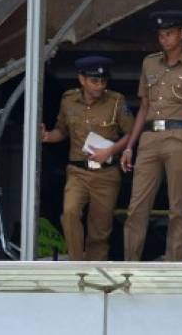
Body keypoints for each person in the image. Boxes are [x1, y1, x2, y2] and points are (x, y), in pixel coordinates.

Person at [122, 10, 182, 262]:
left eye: (169, 34)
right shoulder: (149, 63)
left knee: (178, 208)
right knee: (136, 207)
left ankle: (174, 265)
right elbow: (143, 107)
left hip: (178, 136)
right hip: (149, 139)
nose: (164, 39)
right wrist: (130, 146)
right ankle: (130, 264)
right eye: (161, 35)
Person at [41, 55, 134, 261]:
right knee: (70, 213)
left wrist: (110, 151)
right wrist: (47, 137)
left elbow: (131, 134)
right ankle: (77, 265)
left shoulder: (116, 101)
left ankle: (93, 273)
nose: (99, 86)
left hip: (106, 174)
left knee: (99, 231)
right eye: (94, 81)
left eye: (103, 81)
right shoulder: (68, 100)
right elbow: (62, 131)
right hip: (78, 172)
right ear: (81, 79)